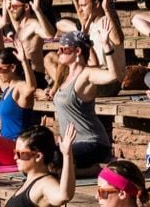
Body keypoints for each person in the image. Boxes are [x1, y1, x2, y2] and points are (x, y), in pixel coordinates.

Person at [50, 29, 120, 166]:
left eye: (64, 49)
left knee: (55, 160)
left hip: (93, 143)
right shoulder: (65, 76)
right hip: (71, 144)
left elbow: (113, 76)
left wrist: (107, 46)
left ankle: (96, 169)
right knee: (37, 157)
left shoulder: (87, 74)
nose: (59, 52)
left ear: (77, 51)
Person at [7, 125, 78, 207]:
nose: (15, 157)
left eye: (19, 154)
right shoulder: (30, 181)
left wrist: (67, 155)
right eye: (15, 152)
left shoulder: (45, 183)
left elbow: (64, 196)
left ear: (38, 156)